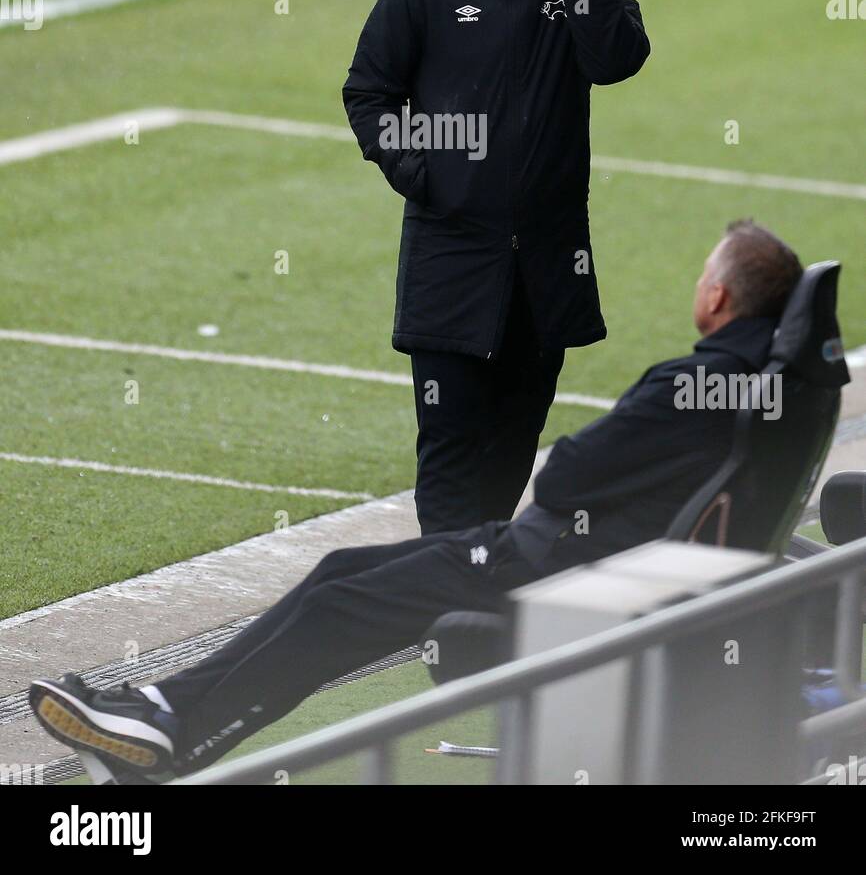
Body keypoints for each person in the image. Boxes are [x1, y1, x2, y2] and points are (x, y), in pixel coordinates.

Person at [30, 220, 803, 786]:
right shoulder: (776, 384)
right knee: (338, 573)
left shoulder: (690, 385)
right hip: (604, 567)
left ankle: (174, 733)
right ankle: (165, 709)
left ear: (717, 294)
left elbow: (565, 477)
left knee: (337, 606)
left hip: (556, 569)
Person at [343, 0, 650, 533]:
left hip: (547, 268)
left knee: (513, 447)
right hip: (451, 262)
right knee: (451, 450)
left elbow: (618, 60)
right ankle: (445, 602)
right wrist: (425, 175)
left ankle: (473, 585)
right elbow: (369, 93)